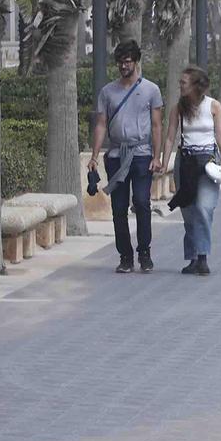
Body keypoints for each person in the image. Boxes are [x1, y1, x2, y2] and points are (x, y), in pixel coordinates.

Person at [88, 39, 164, 274]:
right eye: (120, 63)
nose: (123, 67)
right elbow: (101, 125)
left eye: (128, 62)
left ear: (136, 62)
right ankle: (125, 256)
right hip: (115, 156)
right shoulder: (107, 92)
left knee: (141, 202)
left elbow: (157, 125)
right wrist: (94, 155)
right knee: (118, 208)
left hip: (142, 154)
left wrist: (157, 155)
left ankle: (144, 252)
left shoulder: (151, 90)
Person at [157, 65, 221, 276]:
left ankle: (203, 257)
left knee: (204, 207)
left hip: (208, 162)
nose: (180, 86)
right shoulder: (178, 108)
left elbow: (220, 136)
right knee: (189, 212)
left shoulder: (213, 106)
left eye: (184, 83)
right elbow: (171, 136)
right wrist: (165, 163)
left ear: (195, 85)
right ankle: (193, 258)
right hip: (186, 162)